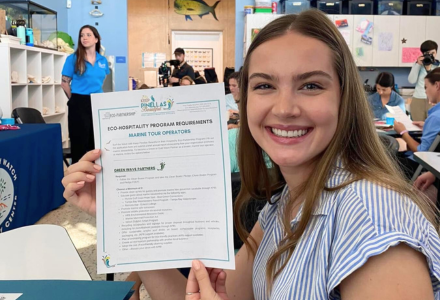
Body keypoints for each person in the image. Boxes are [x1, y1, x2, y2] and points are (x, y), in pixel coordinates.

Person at [62, 11, 440, 300]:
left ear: (344, 97)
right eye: (264, 85)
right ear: (244, 97)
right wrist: (127, 215)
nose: (285, 107)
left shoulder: (374, 220)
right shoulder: (284, 201)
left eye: (310, 85)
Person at [61, 25, 109, 164]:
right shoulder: (73, 59)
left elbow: (101, 81)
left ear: (96, 38)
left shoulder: (102, 61)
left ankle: (96, 179)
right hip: (79, 101)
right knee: (80, 143)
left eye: (88, 35)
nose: (84, 38)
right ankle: (80, 180)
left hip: (98, 102)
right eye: (82, 35)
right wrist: (74, 100)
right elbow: (64, 83)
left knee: (96, 141)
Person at [394, 68, 440, 179]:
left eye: (426, 87)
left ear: (437, 85)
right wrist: (426, 125)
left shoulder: (435, 117)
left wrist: (403, 132)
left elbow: (421, 152)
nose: (425, 91)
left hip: (420, 167)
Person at [408, 40, 440, 121]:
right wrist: (418, 65)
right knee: (417, 128)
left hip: (434, 99)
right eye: (427, 53)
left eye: (433, 53)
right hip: (418, 98)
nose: (431, 55)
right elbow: (411, 80)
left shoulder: (438, 66)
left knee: (433, 125)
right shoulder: (419, 64)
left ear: (436, 52)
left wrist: (429, 69)